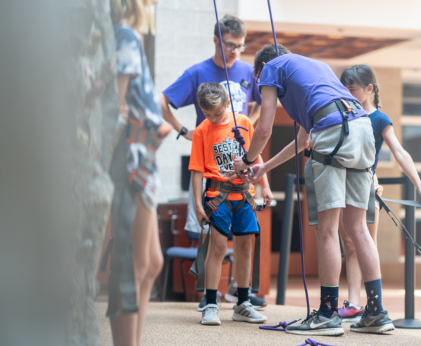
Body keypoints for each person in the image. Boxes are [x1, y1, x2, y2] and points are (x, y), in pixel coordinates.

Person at [234, 44, 395, 336]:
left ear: (261, 70)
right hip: (360, 129)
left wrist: (246, 161)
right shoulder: (314, 67)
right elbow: (303, 139)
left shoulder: (272, 69)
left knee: (327, 229)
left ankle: (327, 314)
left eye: (259, 81)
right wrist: (264, 167)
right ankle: (376, 312)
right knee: (358, 228)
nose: (262, 86)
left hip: (333, 133)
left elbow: (264, 129)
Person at [160, 14, 266, 310]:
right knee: (214, 239)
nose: (235, 51)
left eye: (241, 46)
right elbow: (162, 101)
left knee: (245, 238)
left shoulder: (247, 70)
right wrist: (186, 133)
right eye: (230, 45)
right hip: (212, 165)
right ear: (217, 40)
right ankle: (208, 297)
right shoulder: (198, 72)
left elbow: (263, 103)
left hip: (241, 167)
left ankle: (238, 292)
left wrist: (249, 126)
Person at [337, 64, 421, 322]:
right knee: (348, 244)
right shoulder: (343, 115)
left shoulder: (379, 118)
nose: (347, 92)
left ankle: (373, 305)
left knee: (366, 243)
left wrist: (420, 185)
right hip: (341, 184)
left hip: (367, 186)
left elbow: (400, 152)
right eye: (343, 88)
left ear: (369, 89)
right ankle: (352, 302)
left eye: (352, 88)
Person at [108, 1, 171, 345]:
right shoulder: (125, 37)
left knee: (151, 263)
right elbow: (116, 109)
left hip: (143, 156)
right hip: (132, 157)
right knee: (133, 264)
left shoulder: (130, 37)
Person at [189, 83, 272, 325]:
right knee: (217, 248)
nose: (213, 119)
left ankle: (243, 303)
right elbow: (196, 171)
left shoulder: (243, 122)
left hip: (244, 194)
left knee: (245, 248)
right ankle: (211, 304)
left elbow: (255, 154)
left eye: (217, 113)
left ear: (227, 104)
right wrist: (197, 205)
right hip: (218, 196)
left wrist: (265, 185)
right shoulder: (201, 131)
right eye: (207, 114)